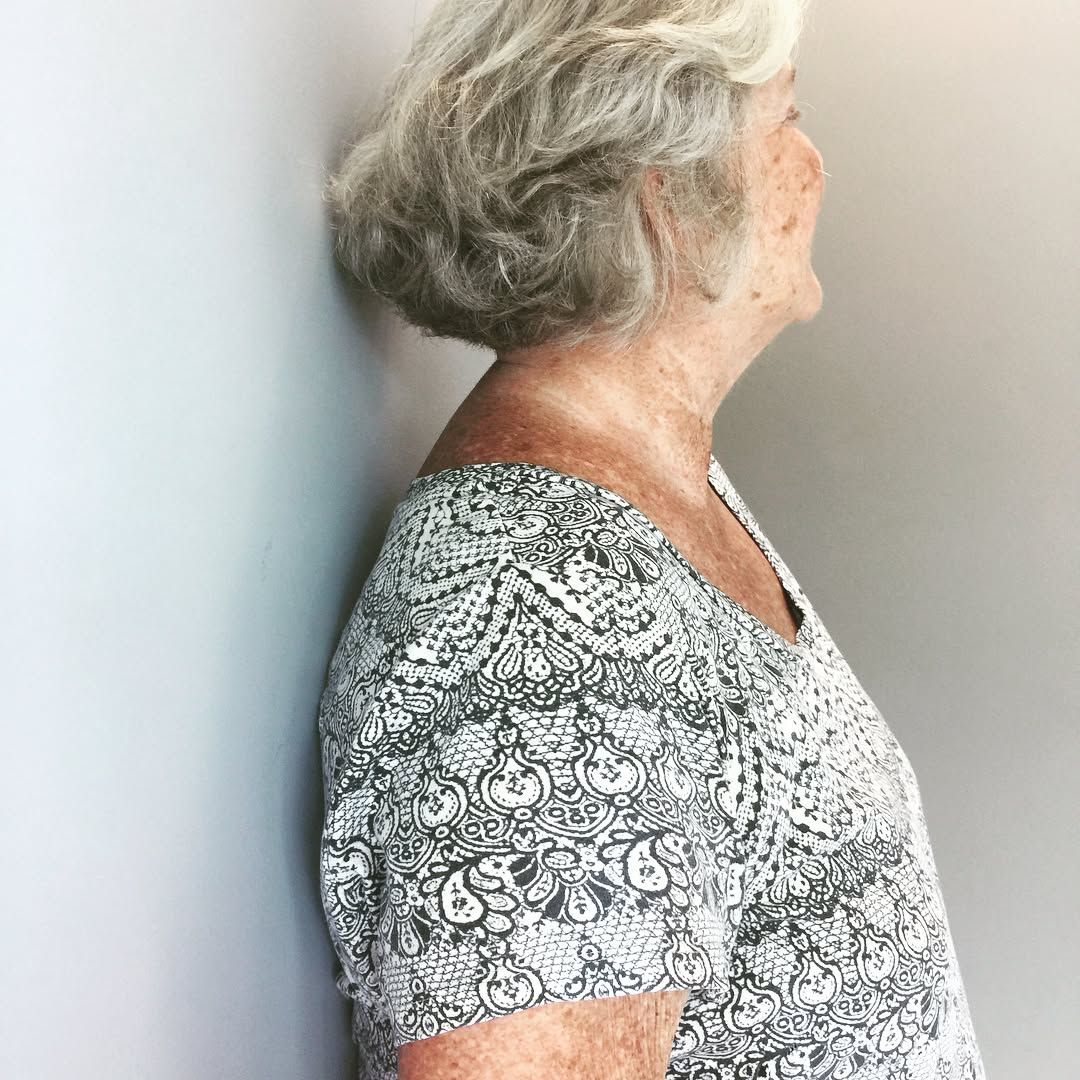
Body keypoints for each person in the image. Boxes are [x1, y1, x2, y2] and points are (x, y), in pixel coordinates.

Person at [316, 3, 987, 1078]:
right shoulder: (534, 628)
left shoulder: (653, 481)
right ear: (668, 198)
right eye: (788, 121)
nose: (816, 167)